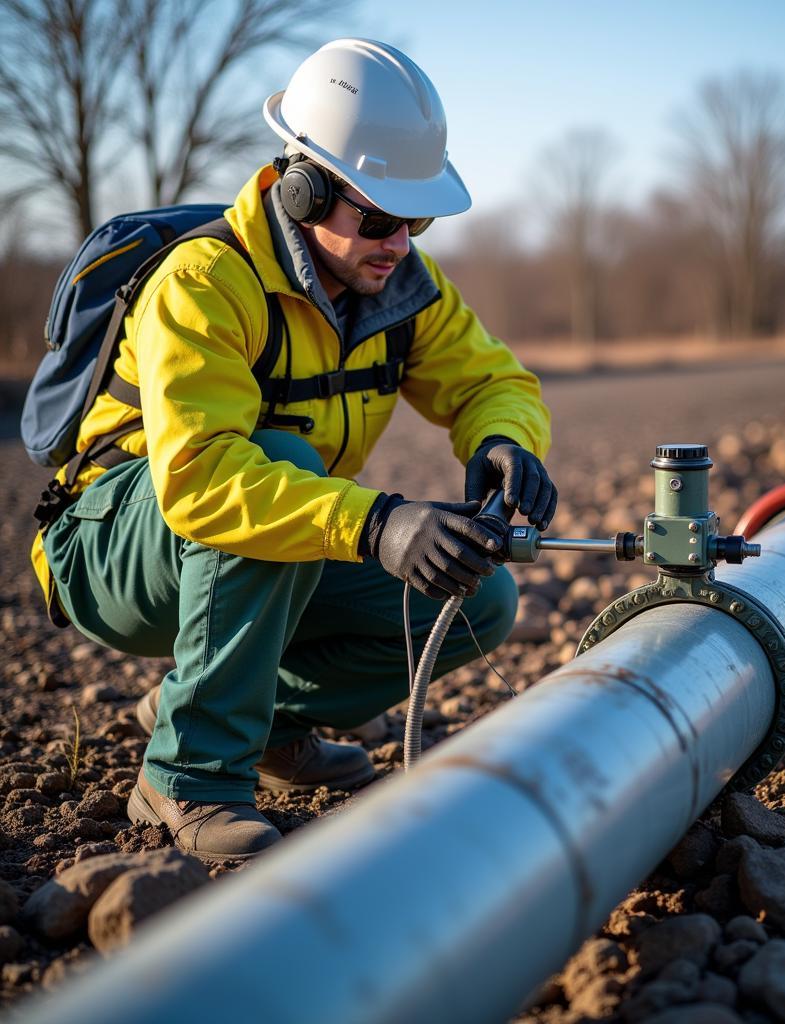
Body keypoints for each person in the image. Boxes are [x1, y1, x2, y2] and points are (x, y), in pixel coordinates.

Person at [30, 38, 556, 862]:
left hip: (263, 546)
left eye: (415, 219)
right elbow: (203, 479)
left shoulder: (402, 285)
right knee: (281, 469)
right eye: (378, 218)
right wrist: (376, 524)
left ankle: (263, 724)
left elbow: (496, 380)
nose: (400, 243)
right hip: (112, 547)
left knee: (479, 602)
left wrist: (503, 440)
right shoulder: (205, 282)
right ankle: (188, 775)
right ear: (302, 190)